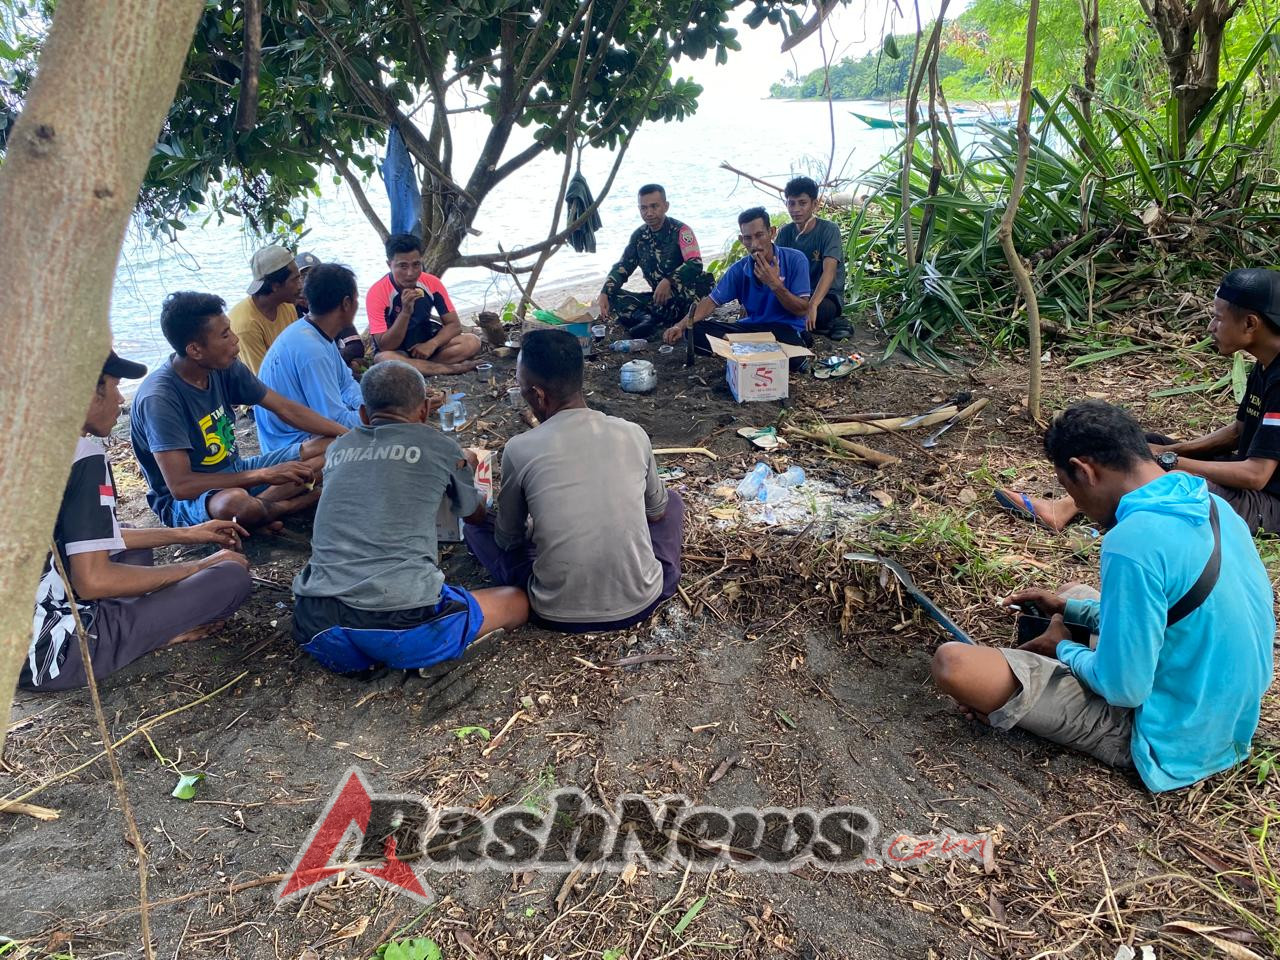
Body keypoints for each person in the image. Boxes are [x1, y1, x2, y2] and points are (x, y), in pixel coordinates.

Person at [933, 401, 1274, 792]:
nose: (1077, 505)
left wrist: (1063, 648)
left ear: (1083, 471)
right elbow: (1174, 613)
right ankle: (1066, 615)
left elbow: (1124, 689)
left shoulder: (1130, 541)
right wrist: (1069, 610)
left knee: (955, 664)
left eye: (1069, 489)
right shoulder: (1212, 503)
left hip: (1169, 739)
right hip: (1223, 714)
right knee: (1070, 594)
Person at [23, 351, 252, 692]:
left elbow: (95, 541)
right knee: (231, 576)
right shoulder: (80, 456)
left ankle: (140, 624)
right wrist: (201, 565)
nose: (119, 400)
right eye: (114, 387)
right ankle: (150, 635)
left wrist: (187, 534)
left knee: (123, 537)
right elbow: (92, 582)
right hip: (56, 655)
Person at [996, 269, 1280, 534]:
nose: (1210, 327)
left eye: (1218, 318)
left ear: (1250, 323)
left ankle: (1094, 518)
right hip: (1246, 477)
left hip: (1268, 503)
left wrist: (1171, 461)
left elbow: (1255, 475)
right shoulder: (1266, 363)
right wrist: (1170, 449)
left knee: (1169, 479)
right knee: (1137, 445)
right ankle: (1068, 507)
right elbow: (1237, 432)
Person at [292, 361, 528, 675]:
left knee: (364, 640)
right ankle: (434, 654)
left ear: (363, 414)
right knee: (516, 602)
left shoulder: (339, 448)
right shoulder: (440, 446)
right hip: (401, 624)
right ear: (424, 410)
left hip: (316, 623)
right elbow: (473, 516)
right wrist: (464, 468)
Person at [464, 329, 685, 632]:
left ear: (538, 394)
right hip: (643, 600)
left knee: (476, 527)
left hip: (554, 611)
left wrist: (533, 528)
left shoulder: (520, 448)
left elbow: (508, 539)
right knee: (671, 502)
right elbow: (657, 514)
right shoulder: (632, 433)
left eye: (522, 386)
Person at [130, 291, 348, 530]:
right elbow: (182, 487)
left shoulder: (224, 366)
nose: (235, 340)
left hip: (236, 471)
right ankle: (288, 505)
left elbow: (285, 408)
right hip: (192, 499)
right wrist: (264, 475)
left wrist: (348, 434)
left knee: (334, 447)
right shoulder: (160, 399)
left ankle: (260, 509)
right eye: (225, 335)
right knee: (233, 503)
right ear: (195, 350)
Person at [663, 207, 812, 368]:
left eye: (759, 235)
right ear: (742, 240)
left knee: (793, 351)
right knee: (694, 331)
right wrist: (680, 325)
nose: (754, 244)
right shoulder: (739, 269)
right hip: (752, 331)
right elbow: (710, 302)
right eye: (748, 238)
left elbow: (802, 309)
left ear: (772, 232)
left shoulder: (795, 259)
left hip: (784, 329)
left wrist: (775, 284)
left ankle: (745, 353)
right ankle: (758, 354)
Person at [255, 264, 367, 450]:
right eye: (356, 299)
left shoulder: (315, 331)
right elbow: (334, 421)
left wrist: (371, 407)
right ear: (346, 303)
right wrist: (386, 415)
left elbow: (346, 384)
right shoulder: (311, 350)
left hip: (311, 430)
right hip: (290, 445)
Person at [596, 184, 713, 339]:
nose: (649, 213)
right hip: (659, 299)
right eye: (643, 208)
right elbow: (623, 267)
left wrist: (669, 281)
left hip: (687, 296)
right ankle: (648, 319)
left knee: (688, 304)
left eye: (654, 206)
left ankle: (654, 319)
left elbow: (695, 263)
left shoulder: (681, 231)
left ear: (666, 206)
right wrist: (605, 291)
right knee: (612, 297)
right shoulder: (639, 236)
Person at [366, 233, 482, 375]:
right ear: (389, 265)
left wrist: (431, 344)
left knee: (472, 342)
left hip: (426, 346)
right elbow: (385, 345)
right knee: (384, 359)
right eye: (402, 266)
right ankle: (448, 368)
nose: (410, 273)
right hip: (398, 352)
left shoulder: (431, 283)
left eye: (416, 265)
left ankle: (420, 368)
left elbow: (454, 325)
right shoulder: (377, 293)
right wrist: (405, 312)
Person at [777, 176, 851, 341]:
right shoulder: (785, 233)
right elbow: (776, 268)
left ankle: (835, 323)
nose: (796, 209)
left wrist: (813, 304)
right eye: (791, 203)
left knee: (817, 312)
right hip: (796, 295)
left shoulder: (829, 230)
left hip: (825, 296)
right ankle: (811, 327)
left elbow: (829, 272)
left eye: (802, 203)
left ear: (815, 204)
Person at [228, 244, 303, 374]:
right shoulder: (246, 325)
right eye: (295, 280)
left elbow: (298, 352)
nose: (301, 285)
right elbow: (262, 381)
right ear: (275, 286)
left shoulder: (287, 306)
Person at [295, 251, 364, 366]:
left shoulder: (330, 305)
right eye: (302, 276)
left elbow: (356, 346)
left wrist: (333, 362)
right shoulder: (289, 311)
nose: (306, 281)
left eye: (310, 276)